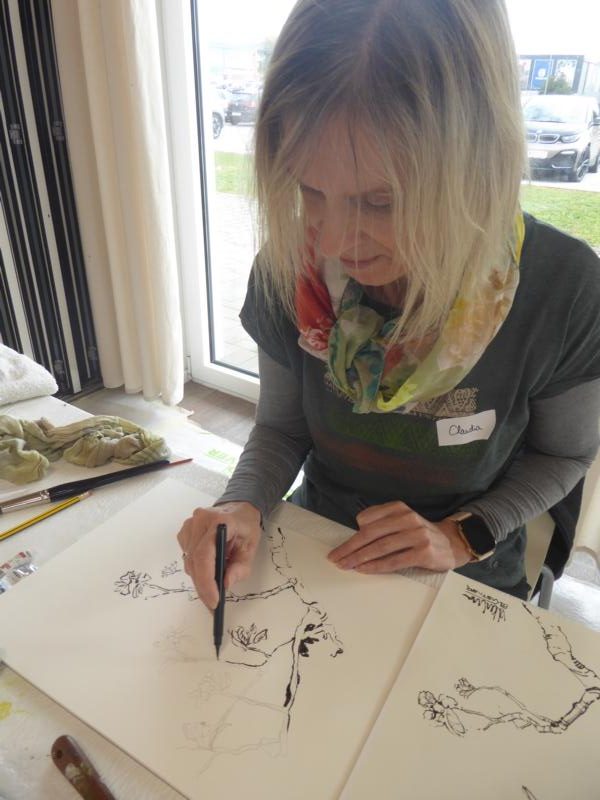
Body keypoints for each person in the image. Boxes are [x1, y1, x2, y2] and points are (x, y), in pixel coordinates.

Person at [178, 0, 600, 605]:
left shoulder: (565, 287)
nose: (331, 242)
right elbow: (281, 428)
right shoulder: (289, 267)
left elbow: (565, 453)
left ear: (477, 169)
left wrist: (462, 535)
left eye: (380, 202)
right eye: (308, 189)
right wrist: (241, 504)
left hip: (465, 576)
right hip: (317, 545)